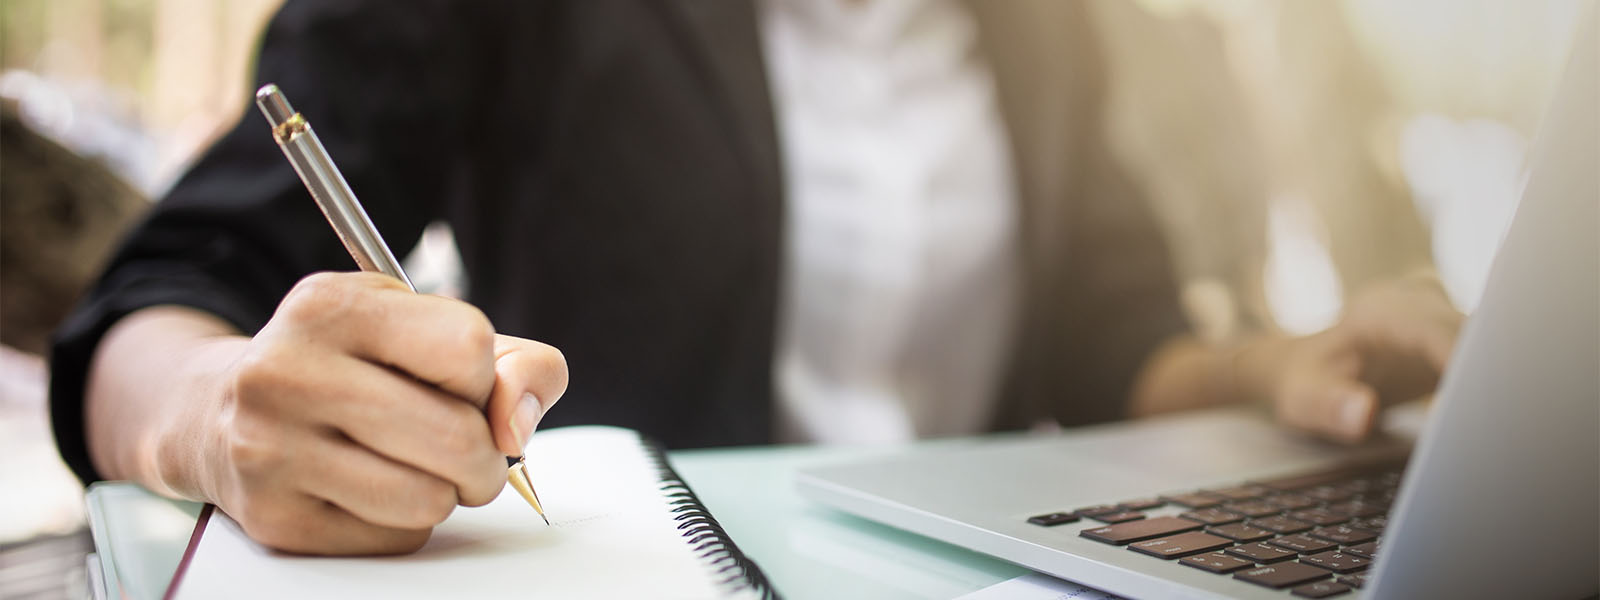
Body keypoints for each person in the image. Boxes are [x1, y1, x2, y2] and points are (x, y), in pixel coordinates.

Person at [50, 0, 1461, 556]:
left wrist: (1272, 370)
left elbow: (1112, 332)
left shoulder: (1048, 28)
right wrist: (218, 411)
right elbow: (161, 298)